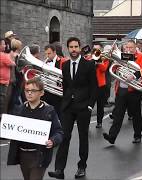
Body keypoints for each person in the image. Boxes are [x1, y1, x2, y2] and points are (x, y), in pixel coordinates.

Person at [48, 37, 97, 179]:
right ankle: (59, 170)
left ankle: (82, 167)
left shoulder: (89, 65)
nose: (74, 49)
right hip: (68, 107)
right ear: (68, 48)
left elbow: (94, 87)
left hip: (83, 107)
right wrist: (63, 102)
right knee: (64, 137)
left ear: (80, 48)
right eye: (71, 47)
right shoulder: (65, 65)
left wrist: (90, 106)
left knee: (83, 137)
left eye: (76, 46)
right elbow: (66, 86)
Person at [7, 77, 63, 180]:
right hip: (23, 154)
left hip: (39, 154)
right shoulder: (19, 110)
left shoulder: (49, 111)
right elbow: (11, 129)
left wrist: (53, 140)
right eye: (27, 90)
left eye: (33, 91)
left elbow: (58, 132)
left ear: (41, 93)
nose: (29, 93)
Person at [103, 40, 142, 144]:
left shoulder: (140, 56)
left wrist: (133, 75)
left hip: (134, 90)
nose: (128, 49)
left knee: (136, 114)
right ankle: (112, 136)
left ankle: (137, 135)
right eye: (126, 48)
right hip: (121, 89)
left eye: (130, 48)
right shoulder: (122, 56)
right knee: (118, 114)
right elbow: (115, 69)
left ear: (135, 48)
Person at [91, 42, 110, 128]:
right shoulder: (89, 57)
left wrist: (98, 62)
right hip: (91, 85)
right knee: (89, 105)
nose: (96, 51)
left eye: (97, 49)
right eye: (94, 49)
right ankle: (86, 122)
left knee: (100, 105)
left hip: (100, 85)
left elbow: (104, 69)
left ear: (101, 50)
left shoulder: (105, 58)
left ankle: (99, 122)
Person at [0, 38, 15, 117]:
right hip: (3, 82)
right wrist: (11, 57)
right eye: (3, 44)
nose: (5, 46)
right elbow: (12, 63)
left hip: (3, 81)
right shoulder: (3, 55)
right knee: (2, 101)